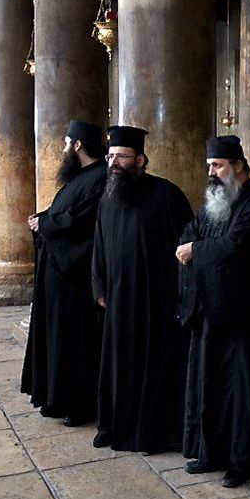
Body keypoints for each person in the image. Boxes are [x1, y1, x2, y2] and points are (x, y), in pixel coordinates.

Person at [177, 136, 250, 488]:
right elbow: (194, 229)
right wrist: (188, 243)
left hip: (242, 314)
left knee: (241, 389)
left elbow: (236, 245)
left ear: (238, 166)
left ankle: (243, 460)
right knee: (210, 383)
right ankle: (212, 453)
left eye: (217, 166)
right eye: (210, 166)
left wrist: (195, 249)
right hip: (210, 308)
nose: (212, 173)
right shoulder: (215, 201)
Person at [91, 125, 194, 452]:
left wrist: (182, 292)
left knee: (154, 365)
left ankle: (152, 433)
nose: (114, 162)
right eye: (110, 156)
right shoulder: (107, 197)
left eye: (121, 156)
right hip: (119, 299)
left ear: (140, 159)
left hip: (156, 300)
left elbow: (188, 243)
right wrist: (99, 285)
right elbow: (98, 244)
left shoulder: (166, 195)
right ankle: (114, 426)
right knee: (119, 365)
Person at [20, 120, 108, 426]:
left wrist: (45, 224)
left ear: (78, 145)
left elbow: (83, 220)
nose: (63, 149)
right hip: (59, 275)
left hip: (75, 275)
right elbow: (65, 212)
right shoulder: (82, 177)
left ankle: (78, 403)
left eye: (66, 143)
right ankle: (58, 397)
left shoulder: (101, 178)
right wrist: (43, 218)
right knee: (59, 337)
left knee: (75, 341)